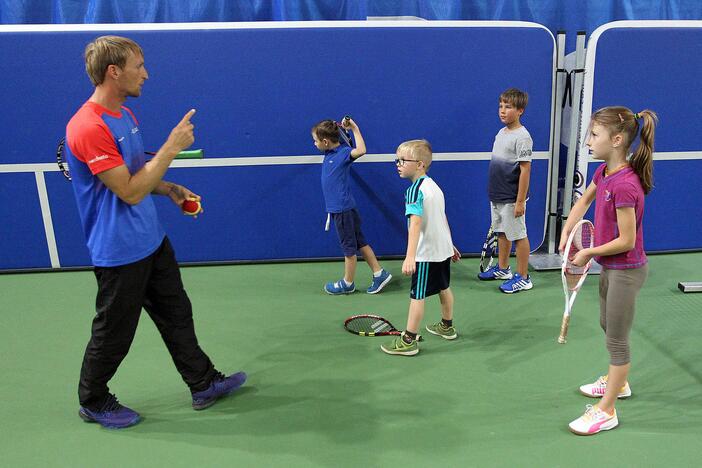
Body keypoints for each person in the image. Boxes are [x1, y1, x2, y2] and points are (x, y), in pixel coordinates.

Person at [65, 35, 246, 429]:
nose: (146, 74)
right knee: (115, 333)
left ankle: (203, 383)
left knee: (177, 313)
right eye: (138, 66)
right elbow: (128, 191)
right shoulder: (87, 127)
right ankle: (93, 399)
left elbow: (135, 173)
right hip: (118, 250)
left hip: (150, 239)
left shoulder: (124, 116)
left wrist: (170, 189)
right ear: (114, 72)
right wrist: (172, 147)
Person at [560, 106, 657, 435]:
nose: (588, 141)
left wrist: (588, 252)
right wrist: (566, 231)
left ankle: (607, 410)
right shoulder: (603, 173)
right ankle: (620, 383)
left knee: (617, 341)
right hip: (611, 269)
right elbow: (583, 201)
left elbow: (627, 240)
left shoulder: (626, 186)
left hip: (626, 270)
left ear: (617, 140)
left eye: (594, 135)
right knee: (607, 324)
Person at [381, 140, 460, 356]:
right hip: (442, 250)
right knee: (444, 287)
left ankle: (408, 340)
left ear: (420, 165)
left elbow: (415, 224)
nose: (397, 164)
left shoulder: (414, 191)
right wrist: (450, 245)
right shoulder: (434, 186)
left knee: (417, 295)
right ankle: (447, 326)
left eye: (402, 160)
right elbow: (441, 218)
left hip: (426, 254)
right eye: (396, 160)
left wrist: (410, 257)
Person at [311, 118, 392, 295]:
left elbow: (361, 150)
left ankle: (348, 283)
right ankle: (379, 273)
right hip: (344, 208)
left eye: (316, 141)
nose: (314, 143)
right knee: (360, 242)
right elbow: (335, 135)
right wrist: (339, 127)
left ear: (325, 142)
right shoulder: (330, 153)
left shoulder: (343, 154)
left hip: (342, 210)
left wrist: (354, 127)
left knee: (349, 249)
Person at [478, 88, 534, 293]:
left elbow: (525, 170)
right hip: (497, 194)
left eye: (508, 107)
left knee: (518, 235)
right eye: (501, 106)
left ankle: (523, 277)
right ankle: (503, 269)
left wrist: (520, 201)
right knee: (501, 232)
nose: (502, 110)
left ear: (520, 110)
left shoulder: (523, 137)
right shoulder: (501, 132)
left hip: (512, 198)